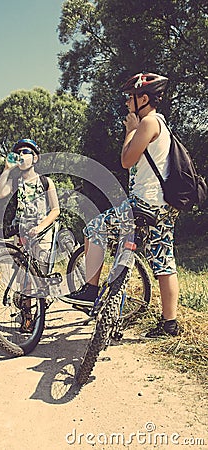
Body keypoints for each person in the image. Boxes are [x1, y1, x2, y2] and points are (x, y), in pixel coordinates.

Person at [62, 73, 180, 338]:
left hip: (143, 203)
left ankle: (91, 290)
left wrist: (130, 130)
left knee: (94, 229)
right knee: (164, 262)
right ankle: (169, 324)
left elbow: (127, 160)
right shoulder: (163, 124)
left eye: (131, 97)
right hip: (163, 207)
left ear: (144, 99)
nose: (127, 102)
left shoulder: (148, 123)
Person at [0, 138, 60, 331]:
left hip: (42, 233)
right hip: (21, 233)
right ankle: (28, 317)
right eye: (19, 152)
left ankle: (40, 314)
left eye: (26, 152)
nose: (21, 155)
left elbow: (55, 210)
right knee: (24, 277)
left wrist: (40, 227)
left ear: (35, 158)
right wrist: (6, 170)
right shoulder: (15, 182)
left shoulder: (46, 181)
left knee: (39, 276)